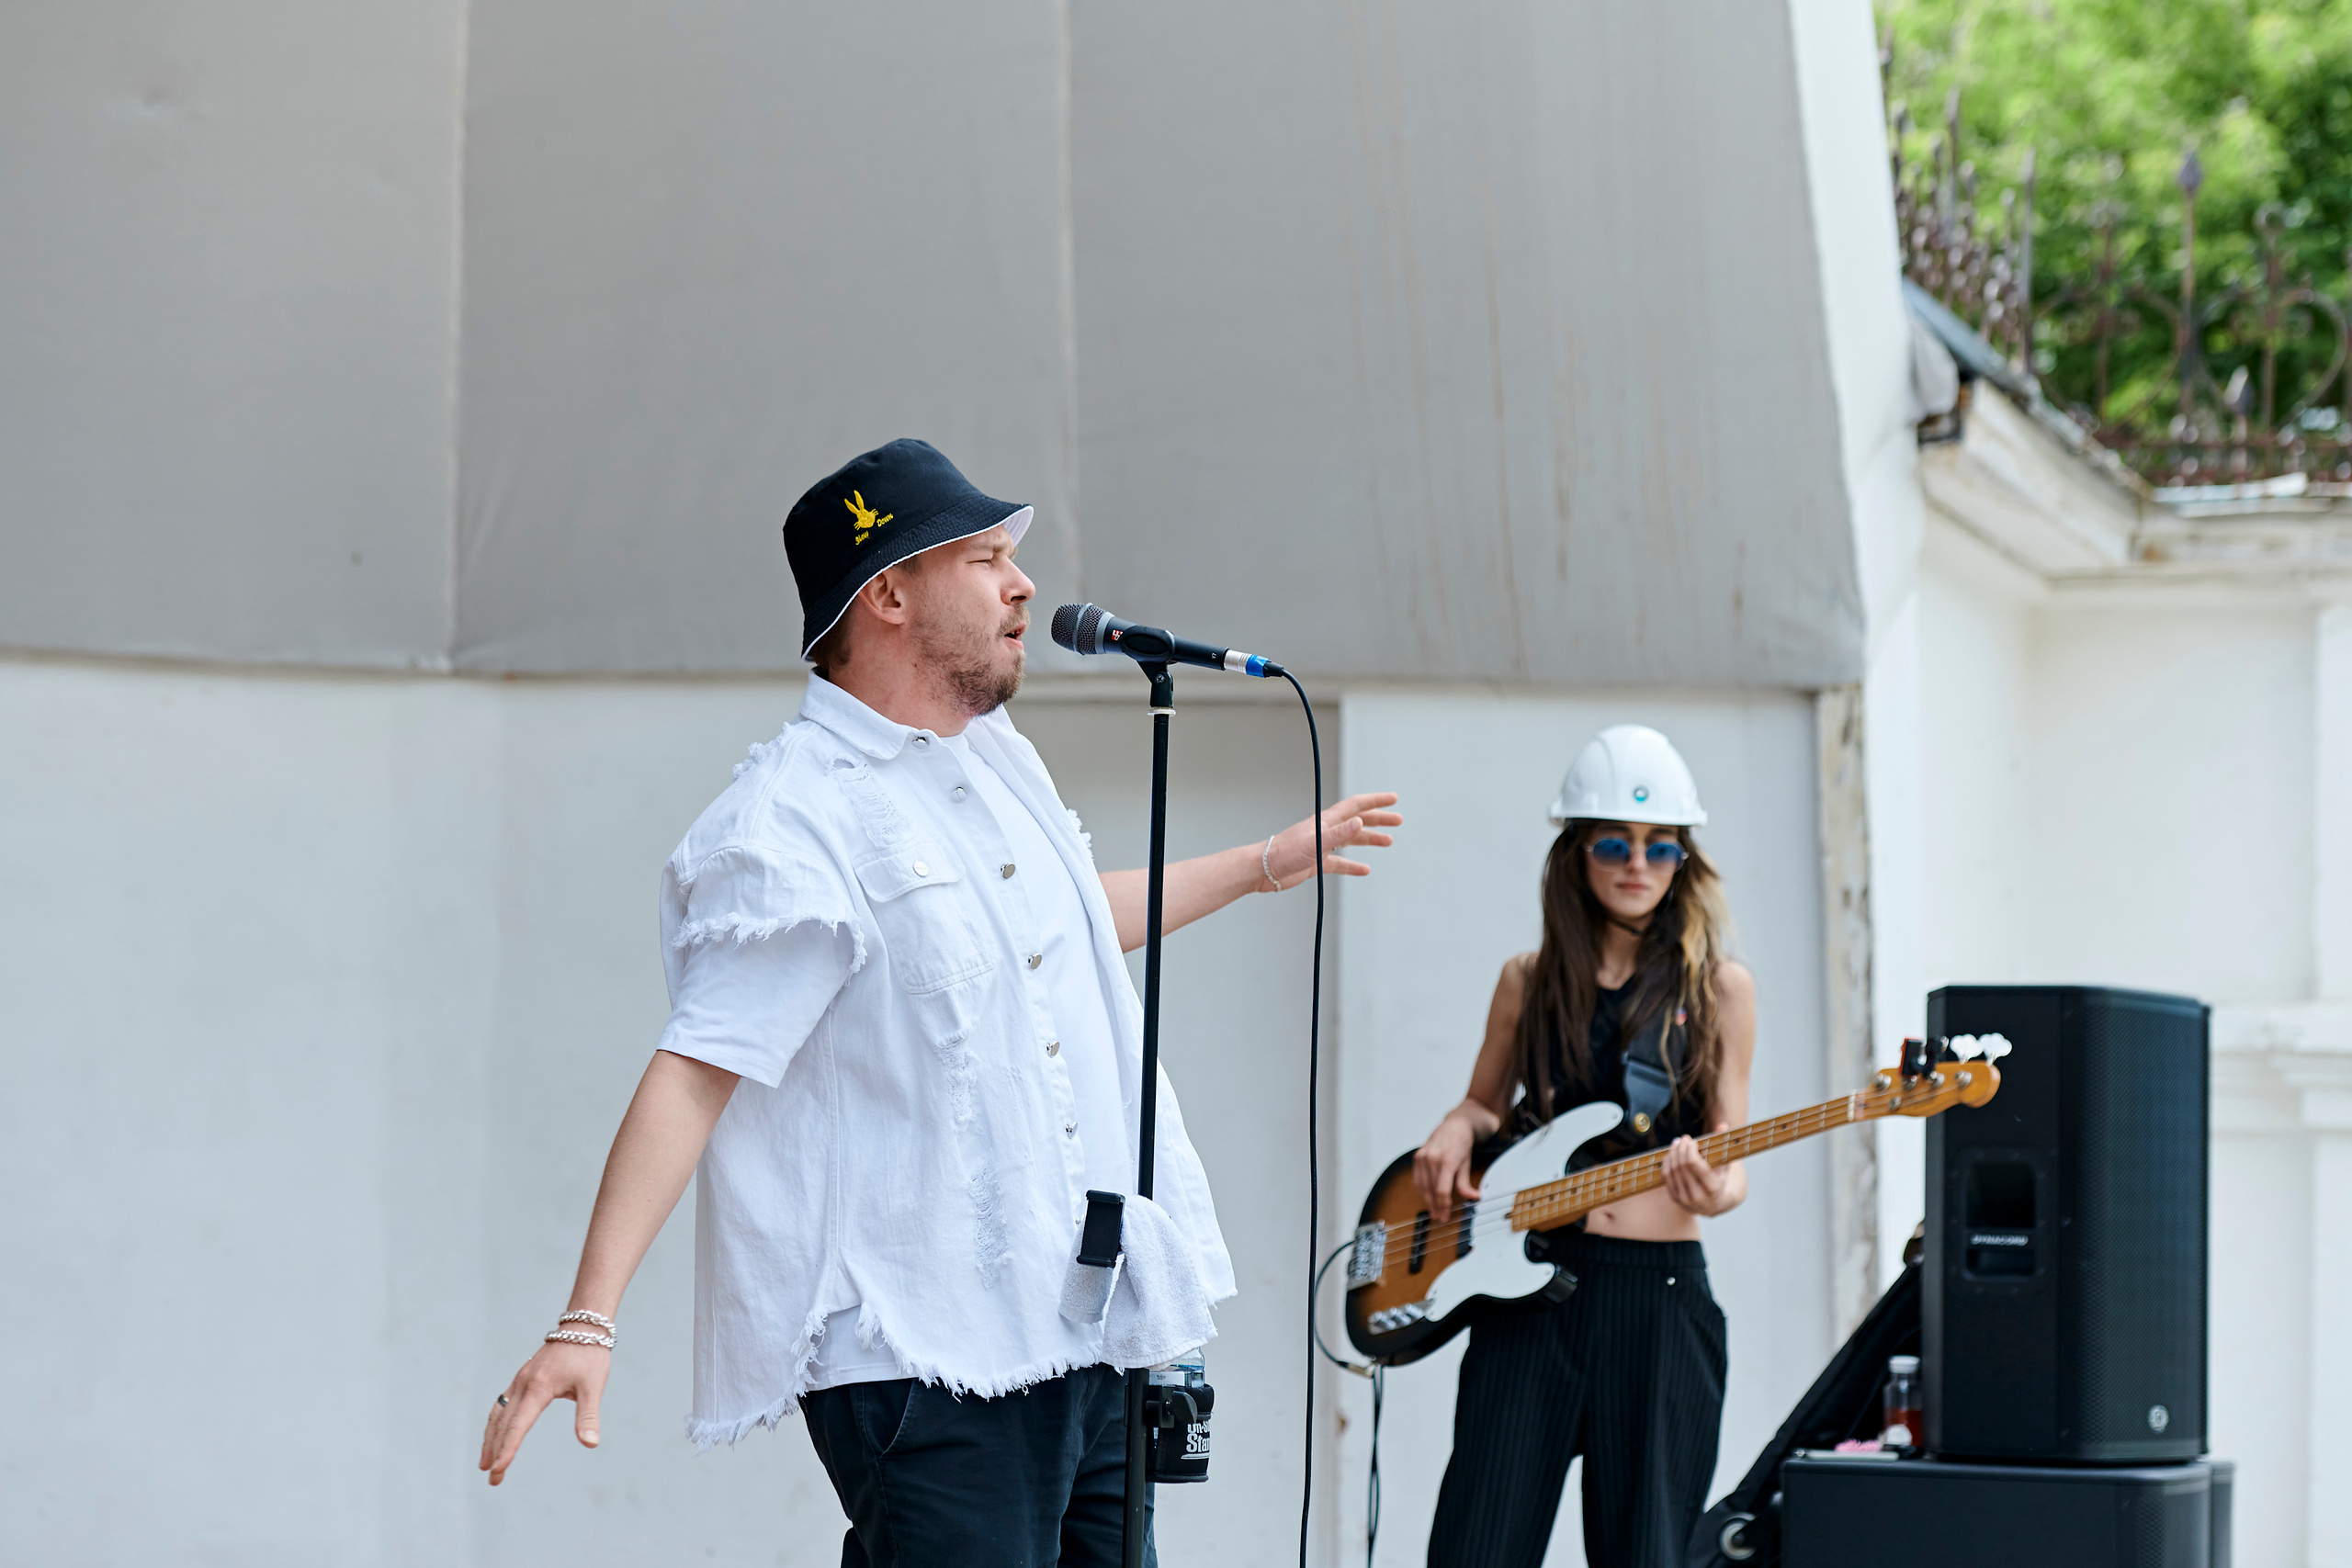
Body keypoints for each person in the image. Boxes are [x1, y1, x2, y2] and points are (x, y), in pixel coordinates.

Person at [476, 438, 1402, 1568]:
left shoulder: (996, 764)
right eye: (985, 556)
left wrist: (1263, 861)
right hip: (931, 1357)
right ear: (889, 593)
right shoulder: (790, 820)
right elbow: (699, 1064)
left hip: (1082, 1332)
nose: (1022, 584)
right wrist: (588, 1317)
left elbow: (1056, 925)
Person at [1411, 725, 1755, 1568]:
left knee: (1648, 1553)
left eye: (1660, 846)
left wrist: (1715, 1189)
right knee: (1476, 1545)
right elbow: (1483, 1104)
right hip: (1531, 1290)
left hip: (1659, 1300)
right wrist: (1456, 1126)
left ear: (1683, 860)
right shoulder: (1527, 979)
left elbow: (1730, 1152)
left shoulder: (1721, 990)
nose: (1636, 862)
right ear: (1577, 852)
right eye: (1612, 841)